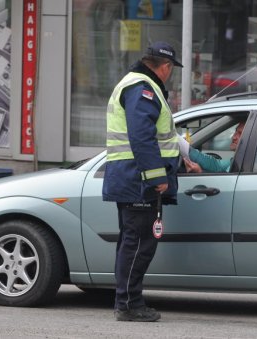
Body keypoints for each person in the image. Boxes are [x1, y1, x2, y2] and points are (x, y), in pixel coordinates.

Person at [102, 41, 183, 322]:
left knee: (131, 242)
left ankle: (126, 300)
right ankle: (128, 305)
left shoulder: (135, 84)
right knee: (138, 244)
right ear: (165, 67)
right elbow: (141, 137)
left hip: (130, 177)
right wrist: (157, 176)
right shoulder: (143, 89)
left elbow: (158, 137)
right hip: (138, 180)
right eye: (171, 70)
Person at [180, 121, 245, 173]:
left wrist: (200, 172)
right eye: (235, 132)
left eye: (240, 133)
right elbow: (217, 165)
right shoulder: (239, 160)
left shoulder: (247, 165)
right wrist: (187, 149)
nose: (233, 137)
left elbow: (227, 184)